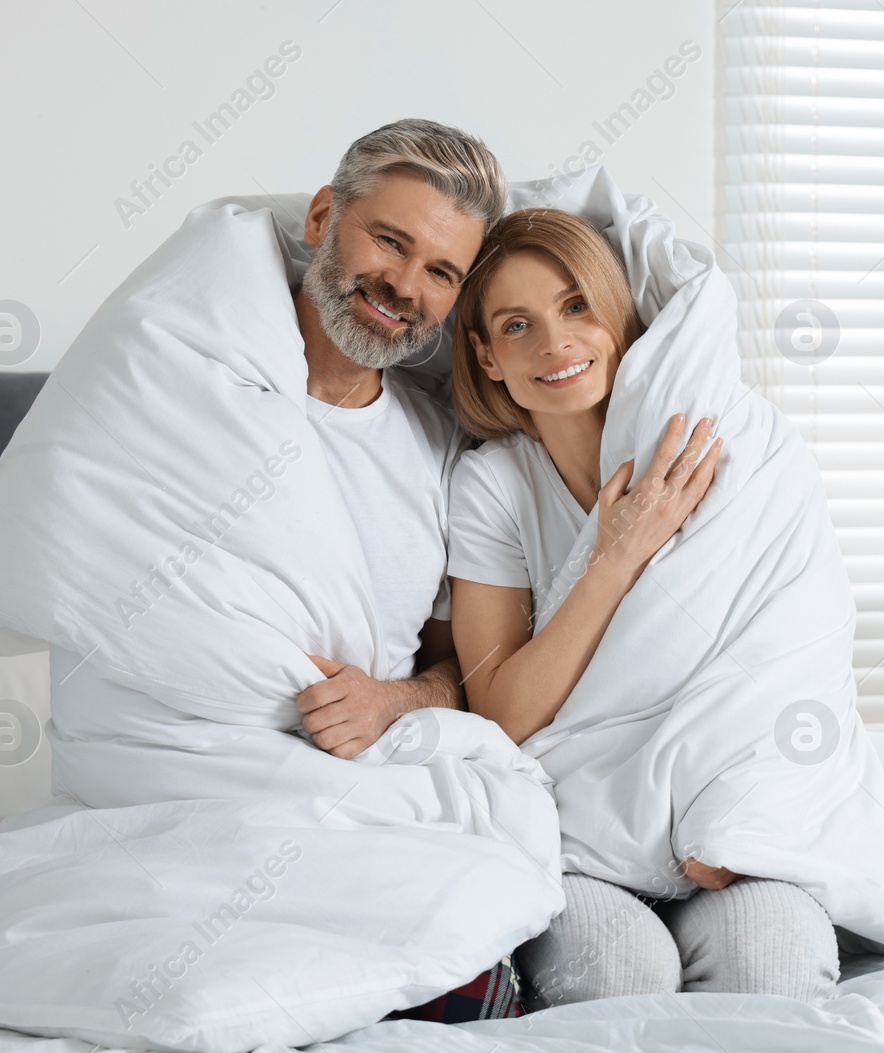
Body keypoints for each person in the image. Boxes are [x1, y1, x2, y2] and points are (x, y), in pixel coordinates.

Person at [444, 208, 840, 1006]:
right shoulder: (494, 487)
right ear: (486, 356)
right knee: (623, 974)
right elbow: (503, 713)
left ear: (620, 317)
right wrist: (615, 554)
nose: (555, 344)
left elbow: (794, 657)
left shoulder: (734, 453)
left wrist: (748, 818)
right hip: (580, 834)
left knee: (773, 963)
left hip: (725, 828)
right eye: (517, 325)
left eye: (576, 306)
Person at [287, 118, 493, 758]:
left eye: (441, 272)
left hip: (365, 784)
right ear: (323, 218)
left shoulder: (443, 449)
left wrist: (391, 700)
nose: (404, 287)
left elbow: (468, 672)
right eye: (389, 241)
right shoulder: (189, 389)